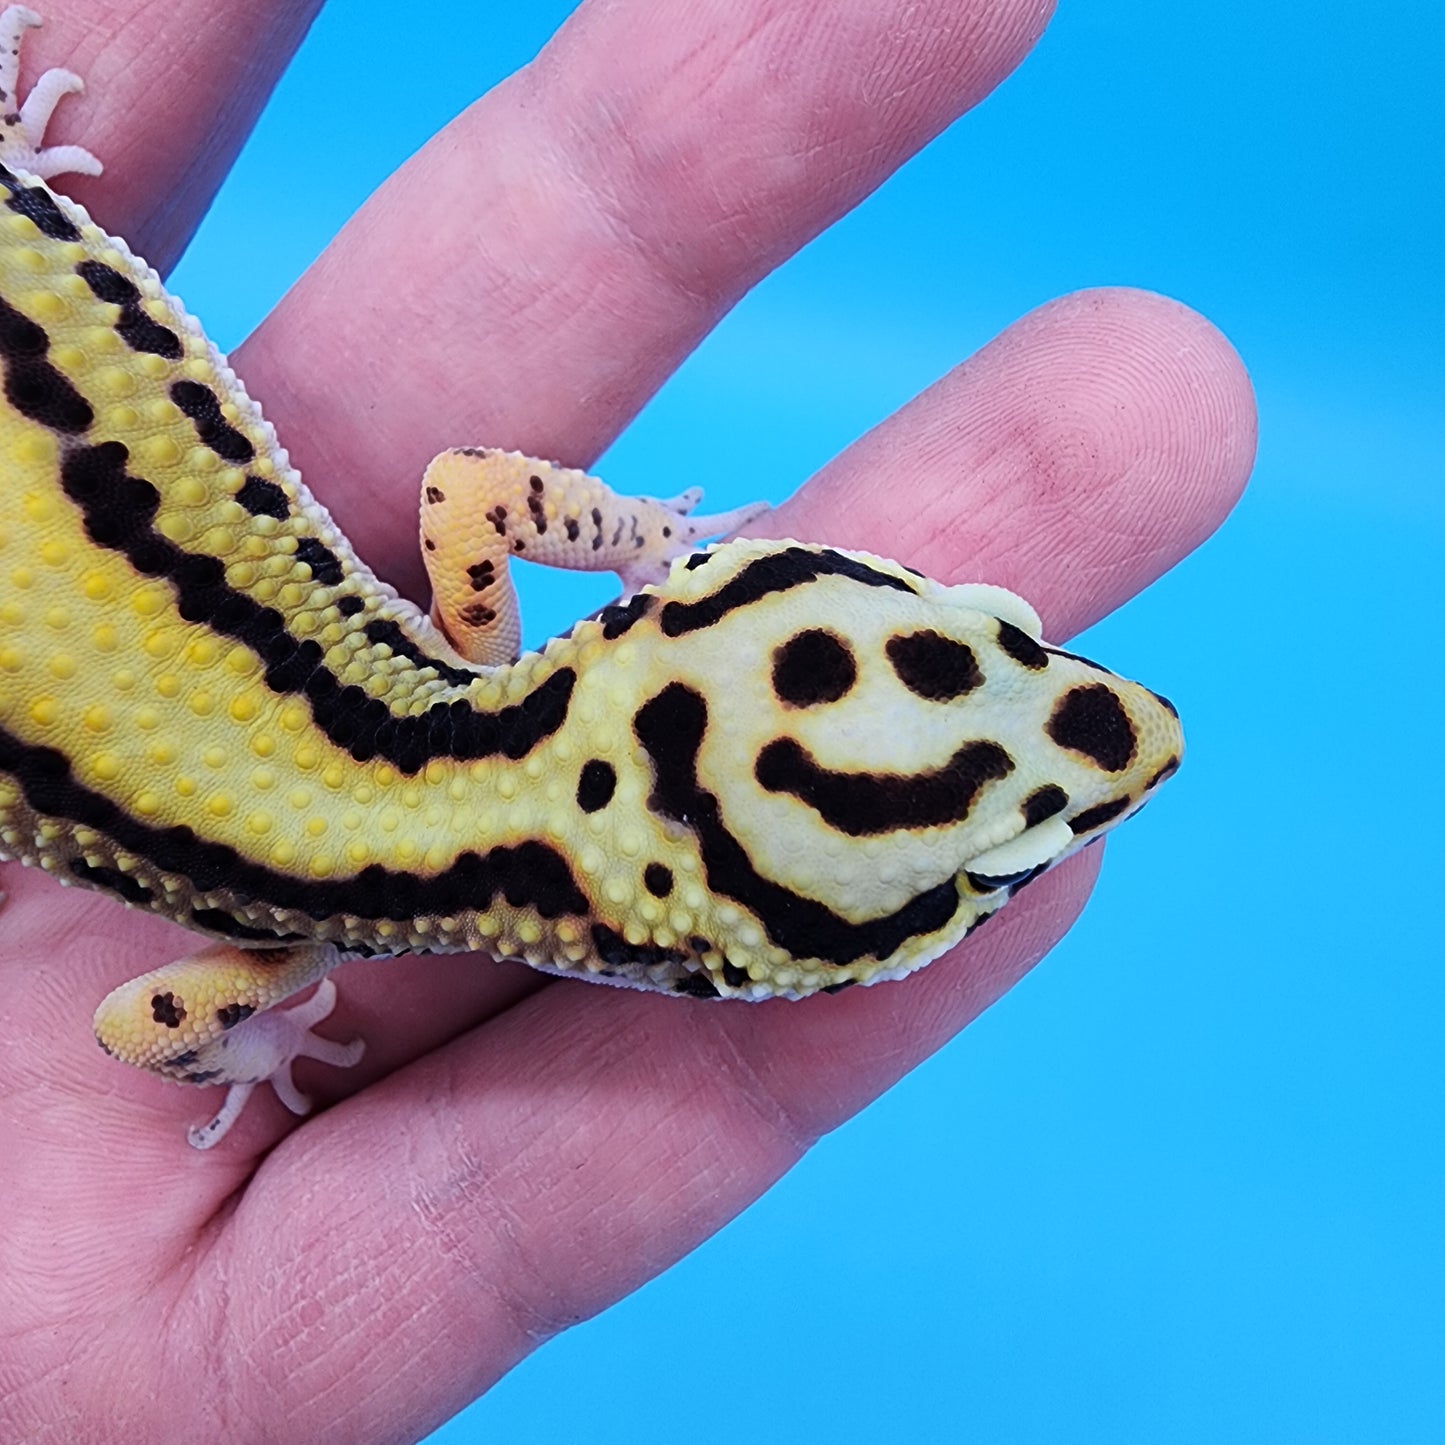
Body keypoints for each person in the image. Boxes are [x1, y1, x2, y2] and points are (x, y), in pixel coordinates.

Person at [0, 0, 1254, 1437]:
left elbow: (474, 491)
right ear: (693, 963)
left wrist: (637, 543)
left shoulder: (469, 659)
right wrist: (262, 1036)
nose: (1129, 731)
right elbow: (139, 1023)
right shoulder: (271, 941)